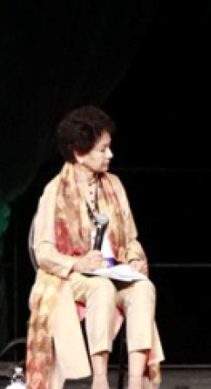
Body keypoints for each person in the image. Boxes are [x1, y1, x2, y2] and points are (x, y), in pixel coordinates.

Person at [26, 106, 164, 389]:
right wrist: (78, 264)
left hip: (114, 271)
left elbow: (131, 239)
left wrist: (135, 260)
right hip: (72, 277)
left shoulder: (114, 185)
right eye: (103, 149)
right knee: (101, 288)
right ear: (79, 153)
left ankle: (136, 382)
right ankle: (99, 380)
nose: (110, 155)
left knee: (143, 288)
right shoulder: (55, 190)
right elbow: (43, 251)